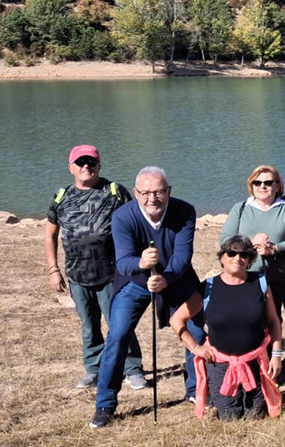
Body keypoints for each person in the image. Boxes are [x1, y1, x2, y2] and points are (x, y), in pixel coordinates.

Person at [91, 167, 205, 428]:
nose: (152, 198)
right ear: (135, 193)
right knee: (118, 335)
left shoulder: (185, 211)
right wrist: (141, 262)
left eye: (159, 192)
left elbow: (183, 256)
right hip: (135, 282)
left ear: (169, 191)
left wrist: (167, 278)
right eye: (145, 193)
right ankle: (105, 404)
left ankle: (195, 390)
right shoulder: (122, 216)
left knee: (197, 331)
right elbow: (122, 262)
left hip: (176, 278)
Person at [45, 145, 145, 390]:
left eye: (91, 162)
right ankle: (95, 369)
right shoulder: (62, 196)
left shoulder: (114, 192)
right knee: (89, 326)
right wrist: (53, 269)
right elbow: (50, 235)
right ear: (71, 168)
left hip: (112, 273)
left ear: (99, 165)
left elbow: (134, 226)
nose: (86, 166)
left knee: (119, 324)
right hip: (77, 275)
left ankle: (132, 369)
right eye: (80, 163)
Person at [169, 236, 284, 420]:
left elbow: (273, 322)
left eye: (244, 255)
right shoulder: (208, 286)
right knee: (229, 417)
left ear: (249, 260)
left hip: (255, 362)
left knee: (256, 415)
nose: (237, 258)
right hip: (220, 364)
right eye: (231, 253)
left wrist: (276, 356)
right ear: (222, 257)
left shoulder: (260, 283)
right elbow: (177, 320)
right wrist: (196, 348)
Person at [219, 165, 285, 371]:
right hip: (252, 274)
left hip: (284, 275)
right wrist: (249, 243)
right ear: (251, 185)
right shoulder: (241, 208)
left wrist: (274, 249)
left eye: (268, 182)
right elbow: (225, 240)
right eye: (258, 182)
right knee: (261, 319)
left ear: (278, 186)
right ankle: (260, 359)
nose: (263, 186)